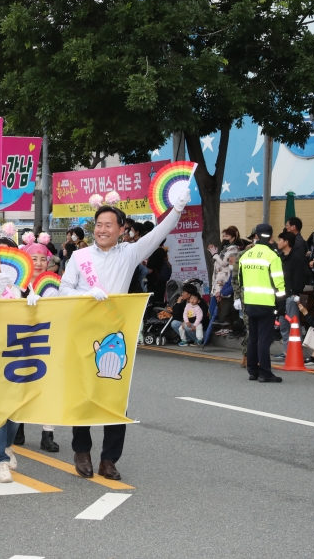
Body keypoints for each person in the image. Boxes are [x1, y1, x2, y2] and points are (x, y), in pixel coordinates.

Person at [60, 187, 191, 481]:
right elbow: (63, 289)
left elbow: (158, 233)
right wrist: (84, 293)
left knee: (114, 396)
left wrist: (178, 210)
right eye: (99, 225)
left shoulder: (129, 253)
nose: (103, 229)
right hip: (83, 331)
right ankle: (82, 451)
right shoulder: (79, 257)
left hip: (115, 334)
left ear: (121, 229)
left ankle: (109, 459)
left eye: (109, 225)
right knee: (84, 394)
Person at [0, 236, 41, 482]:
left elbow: (37, 320)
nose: (3, 260)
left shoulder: (25, 286)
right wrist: (0, 290)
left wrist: (35, 301)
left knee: (15, 407)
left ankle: (7, 444)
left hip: (20, 351)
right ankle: (0, 461)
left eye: (10, 255)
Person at [11, 241, 61, 453]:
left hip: (47, 340)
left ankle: (47, 433)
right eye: (34, 259)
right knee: (20, 384)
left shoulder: (55, 285)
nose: (39, 263)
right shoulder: (15, 286)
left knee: (48, 386)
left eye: (43, 259)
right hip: (20, 342)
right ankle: (18, 427)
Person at [238, 224, 286, 383]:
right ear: (271, 237)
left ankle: (252, 371)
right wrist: (281, 304)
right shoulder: (272, 256)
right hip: (267, 303)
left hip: (250, 302)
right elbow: (279, 283)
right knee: (264, 339)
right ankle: (265, 372)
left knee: (253, 337)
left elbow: (241, 280)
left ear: (256, 236)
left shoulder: (245, 255)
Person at [274, 231, 305, 359]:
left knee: (294, 324)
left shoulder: (297, 257)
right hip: (280, 295)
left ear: (286, 242)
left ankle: (296, 351)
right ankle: (287, 350)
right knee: (283, 324)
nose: (278, 242)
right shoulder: (279, 257)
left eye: (280, 240)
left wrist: (295, 293)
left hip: (292, 295)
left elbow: (299, 277)